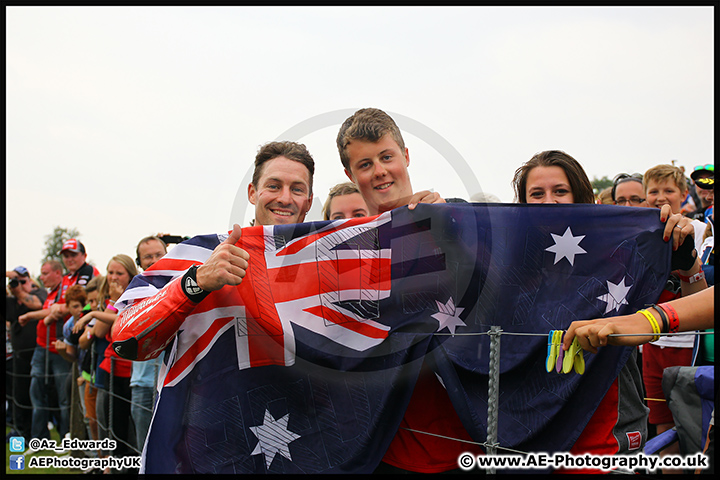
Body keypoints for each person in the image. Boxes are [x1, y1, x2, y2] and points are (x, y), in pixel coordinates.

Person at [110, 141, 315, 471]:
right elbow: (126, 339)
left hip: (300, 450)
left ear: (307, 202)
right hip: (205, 452)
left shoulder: (324, 268)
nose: (285, 198)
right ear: (252, 191)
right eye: (273, 186)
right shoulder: (196, 254)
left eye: (297, 189)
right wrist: (195, 282)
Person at [337, 107, 483, 474]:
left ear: (405, 156)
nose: (380, 171)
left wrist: (452, 223)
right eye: (365, 164)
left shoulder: (458, 219)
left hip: (467, 446)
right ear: (350, 175)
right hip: (379, 453)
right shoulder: (337, 251)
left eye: (387, 157)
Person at [511, 150, 650, 473]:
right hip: (533, 440)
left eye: (560, 191)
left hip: (609, 444)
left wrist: (686, 262)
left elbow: (691, 305)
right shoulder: (509, 267)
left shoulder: (626, 252)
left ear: (581, 195)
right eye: (537, 194)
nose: (549, 203)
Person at [82, 255, 137, 462]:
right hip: (111, 369)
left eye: (119, 273)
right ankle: (113, 462)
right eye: (111, 272)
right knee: (111, 421)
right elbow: (98, 331)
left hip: (131, 370)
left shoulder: (138, 295)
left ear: (130, 275)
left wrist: (97, 314)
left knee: (132, 421)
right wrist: (113, 302)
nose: (113, 278)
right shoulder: (108, 301)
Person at [129, 236, 167, 452]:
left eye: (158, 255)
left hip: (176, 381)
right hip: (143, 383)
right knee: (143, 448)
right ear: (139, 262)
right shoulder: (134, 291)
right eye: (147, 257)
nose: (154, 261)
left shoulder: (186, 283)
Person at [6, 266, 48, 441]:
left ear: (30, 280)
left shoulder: (40, 293)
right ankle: (22, 432)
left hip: (38, 353)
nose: (20, 285)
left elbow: (37, 305)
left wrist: (20, 292)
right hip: (19, 354)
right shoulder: (11, 300)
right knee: (19, 394)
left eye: (23, 281)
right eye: (17, 281)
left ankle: (38, 434)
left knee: (37, 395)